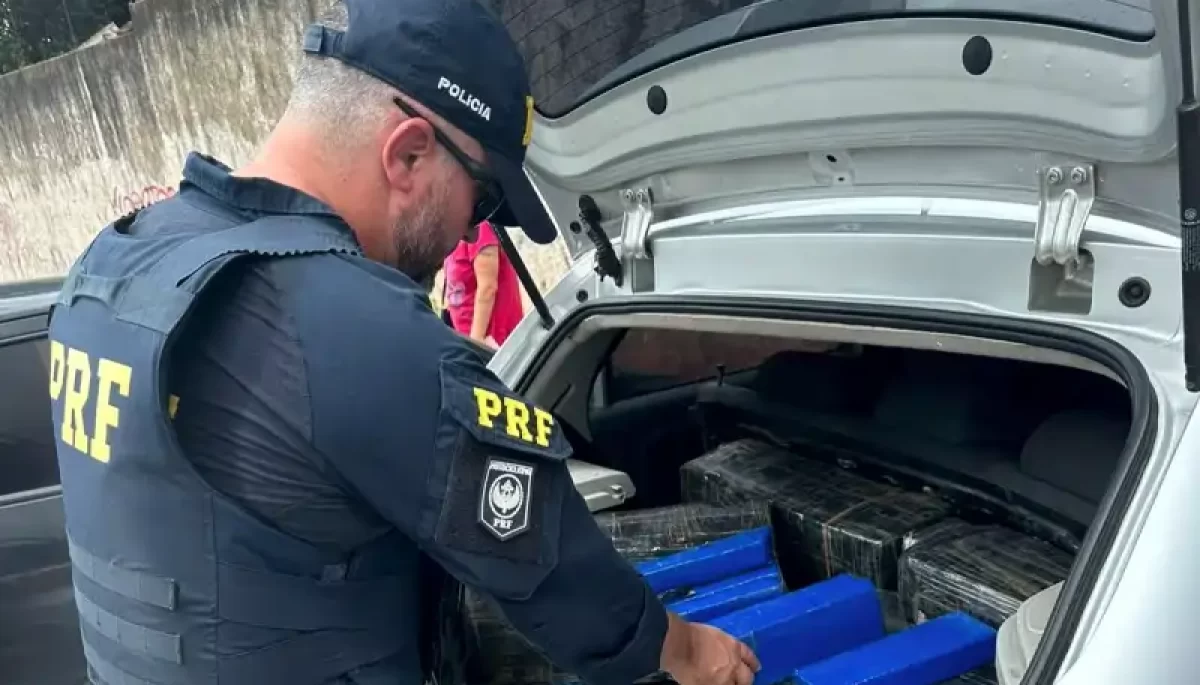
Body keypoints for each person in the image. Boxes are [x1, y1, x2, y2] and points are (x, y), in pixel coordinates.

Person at [43, 1, 762, 685]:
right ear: (411, 153)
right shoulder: (344, 323)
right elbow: (544, 561)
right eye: (480, 199)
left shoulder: (114, 266)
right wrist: (687, 646)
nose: (466, 230)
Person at [443, 219, 524, 348]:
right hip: (473, 343)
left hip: (494, 342)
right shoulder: (455, 238)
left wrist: (477, 341)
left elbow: (488, 287)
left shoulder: (479, 228)